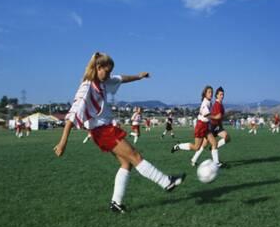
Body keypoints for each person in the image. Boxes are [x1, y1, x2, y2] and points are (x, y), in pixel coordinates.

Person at [54, 52, 186, 213]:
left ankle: (116, 203)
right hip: (102, 131)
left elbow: (121, 78)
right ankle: (166, 181)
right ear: (98, 67)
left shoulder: (102, 82)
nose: (109, 75)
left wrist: (138, 76)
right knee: (135, 156)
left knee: (126, 163)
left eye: (110, 72)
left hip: (105, 129)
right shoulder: (86, 87)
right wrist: (63, 142)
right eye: (107, 71)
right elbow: (72, 115)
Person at [171, 86, 217, 167]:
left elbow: (209, 118)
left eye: (211, 92)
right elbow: (207, 115)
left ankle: (216, 163)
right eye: (209, 92)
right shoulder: (205, 103)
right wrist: (217, 117)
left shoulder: (209, 102)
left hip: (206, 126)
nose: (211, 94)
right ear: (205, 94)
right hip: (201, 126)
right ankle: (178, 146)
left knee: (214, 143)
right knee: (196, 147)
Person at [208, 86, 231, 166]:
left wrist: (221, 126)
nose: (222, 96)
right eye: (220, 94)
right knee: (199, 146)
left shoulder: (221, 104)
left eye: (223, 94)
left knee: (227, 138)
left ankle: (213, 149)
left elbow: (220, 118)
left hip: (217, 127)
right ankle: (216, 162)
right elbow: (218, 117)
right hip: (211, 126)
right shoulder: (217, 105)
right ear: (216, 95)